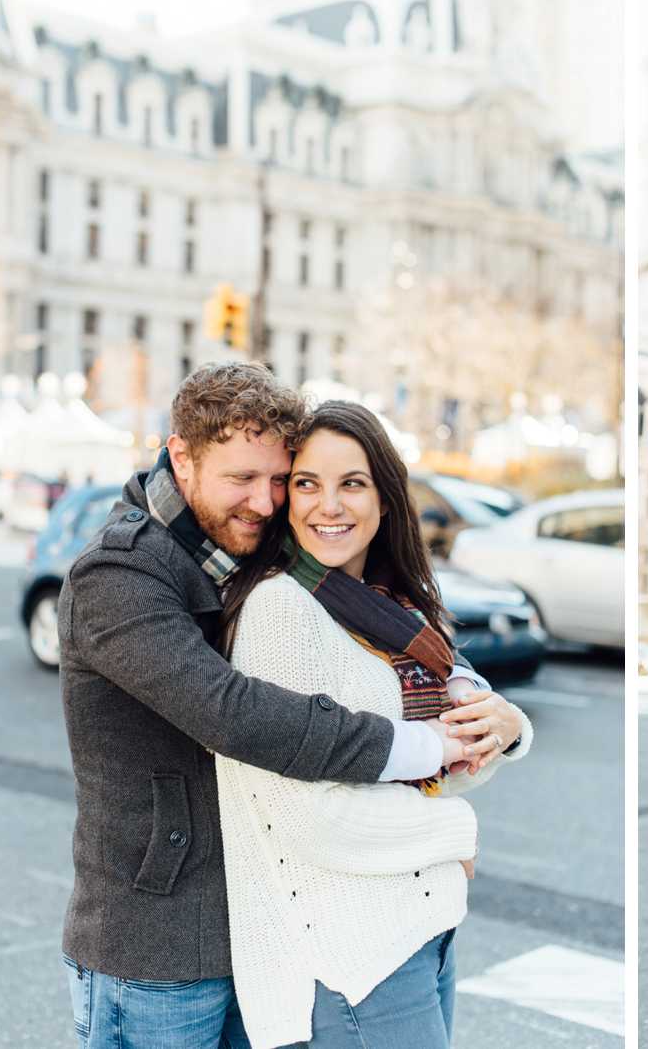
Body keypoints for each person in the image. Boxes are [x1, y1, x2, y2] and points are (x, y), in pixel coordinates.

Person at [58, 364, 484, 1048]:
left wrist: (477, 695)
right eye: (241, 479)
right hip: (154, 951)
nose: (264, 501)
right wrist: (429, 752)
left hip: (256, 934)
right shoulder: (118, 577)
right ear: (181, 458)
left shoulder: (248, 547)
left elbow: (377, 620)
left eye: (279, 479)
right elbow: (233, 714)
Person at [213, 401, 532, 1048]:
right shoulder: (281, 609)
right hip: (352, 961)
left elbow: (436, 763)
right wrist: (453, 834)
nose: (328, 505)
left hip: (419, 933)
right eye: (307, 484)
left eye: (351, 484)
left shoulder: (386, 611)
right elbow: (304, 817)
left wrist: (507, 727)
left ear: (385, 498)